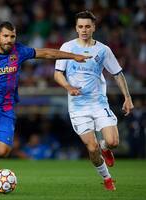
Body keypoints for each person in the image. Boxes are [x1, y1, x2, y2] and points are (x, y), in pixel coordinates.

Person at [0, 21, 90, 192]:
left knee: (3, 152)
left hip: (6, 109)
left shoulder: (19, 51)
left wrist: (73, 56)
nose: (9, 40)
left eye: (12, 36)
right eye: (6, 36)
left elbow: (47, 53)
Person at [54, 11, 134, 191]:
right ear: (76, 28)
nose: (84, 30)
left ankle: (106, 148)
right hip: (78, 107)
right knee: (92, 147)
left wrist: (127, 97)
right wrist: (69, 88)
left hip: (98, 103)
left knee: (113, 142)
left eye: (87, 26)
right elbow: (57, 73)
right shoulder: (67, 47)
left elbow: (117, 74)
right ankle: (107, 178)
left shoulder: (103, 50)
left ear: (94, 27)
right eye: (80, 26)